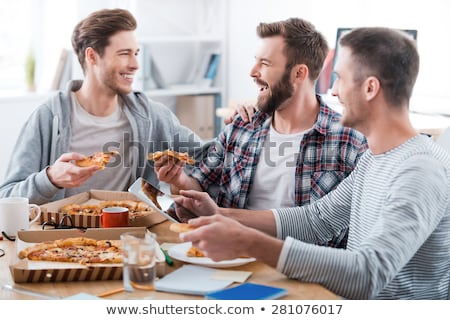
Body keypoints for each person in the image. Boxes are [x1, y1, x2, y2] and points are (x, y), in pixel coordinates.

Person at [172, 27, 450, 300]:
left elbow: (368, 275)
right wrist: (221, 215)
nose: (333, 91)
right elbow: (315, 220)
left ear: (369, 88)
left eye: (340, 78)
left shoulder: (420, 170)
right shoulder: (374, 159)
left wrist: (247, 241)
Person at [0, 8, 249, 205]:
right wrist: (51, 178)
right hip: (62, 240)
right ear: (92, 56)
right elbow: (7, 197)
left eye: (136, 53)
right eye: (124, 53)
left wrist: (239, 124)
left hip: (133, 237)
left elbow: (210, 160)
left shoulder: (152, 115)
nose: (135, 64)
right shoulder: (48, 118)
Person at [154, 18, 367, 247]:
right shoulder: (242, 127)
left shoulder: (349, 141)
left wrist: (219, 214)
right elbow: (199, 189)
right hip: (230, 259)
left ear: (299, 73)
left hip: (306, 270)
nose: (252, 72)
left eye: (265, 63)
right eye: (255, 61)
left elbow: (351, 232)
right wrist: (179, 178)